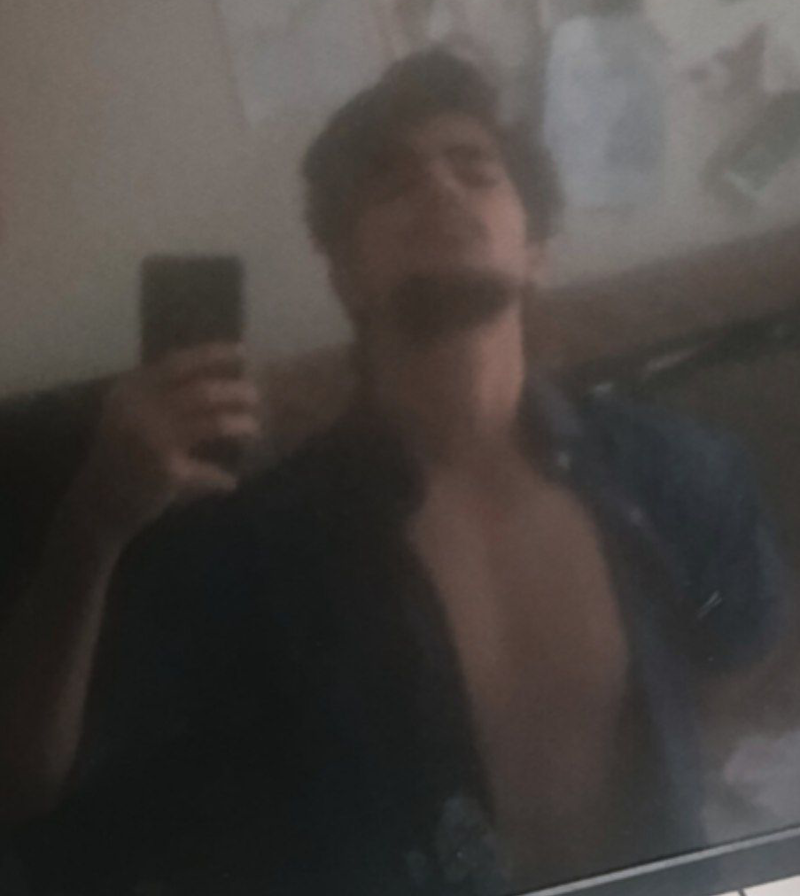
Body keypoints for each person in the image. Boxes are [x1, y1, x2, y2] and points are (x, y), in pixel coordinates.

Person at [2, 50, 785, 895]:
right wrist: (95, 520)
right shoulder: (259, 544)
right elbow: (27, 786)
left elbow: (747, 678)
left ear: (535, 249)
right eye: (393, 182)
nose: (439, 187)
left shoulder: (678, 470)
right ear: (346, 273)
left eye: (473, 168)